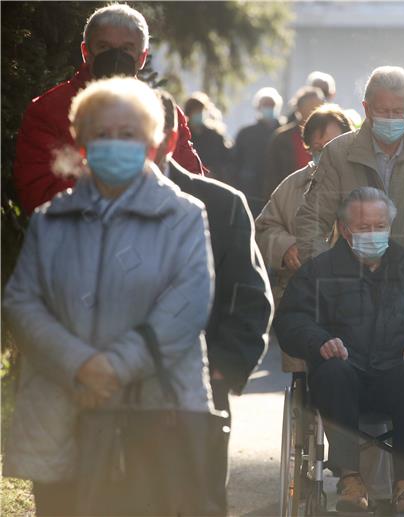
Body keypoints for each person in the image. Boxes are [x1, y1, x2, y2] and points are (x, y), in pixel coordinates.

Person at [2, 77, 215, 515]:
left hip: (155, 413)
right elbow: (23, 302)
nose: (114, 144)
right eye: (102, 134)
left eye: (128, 134)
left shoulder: (183, 215)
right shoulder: (50, 219)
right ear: (80, 143)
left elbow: (188, 302)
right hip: (62, 410)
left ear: (153, 142)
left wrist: (115, 367)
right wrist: (79, 364)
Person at [275, 187, 404, 513]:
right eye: (364, 227)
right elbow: (291, 319)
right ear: (346, 229)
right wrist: (319, 340)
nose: (373, 233)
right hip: (343, 380)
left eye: (380, 226)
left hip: (396, 376)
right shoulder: (319, 272)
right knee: (332, 371)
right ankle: (351, 480)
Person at [155, 90, 273, 507]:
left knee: (197, 499)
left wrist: (223, 368)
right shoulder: (84, 207)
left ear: (170, 137)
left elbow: (250, 295)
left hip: (201, 387)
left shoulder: (220, 204)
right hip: (116, 394)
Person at [12, 3, 203, 215]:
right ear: (86, 51)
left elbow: (191, 183)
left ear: (141, 57)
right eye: (104, 47)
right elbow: (37, 193)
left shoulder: (163, 112)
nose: (115, 57)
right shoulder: (48, 110)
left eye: (126, 49)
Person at [294, 66, 404, 274]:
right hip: (349, 282)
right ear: (367, 108)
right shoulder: (338, 152)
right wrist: (325, 273)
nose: (390, 118)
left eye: (398, 111)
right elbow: (313, 219)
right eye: (382, 111)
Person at [255, 104, 354, 372]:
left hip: (356, 300)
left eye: (334, 144)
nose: (327, 151)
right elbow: (263, 229)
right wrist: (286, 249)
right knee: (309, 380)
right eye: (319, 146)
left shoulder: (367, 182)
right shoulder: (292, 186)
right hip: (304, 300)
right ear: (309, 147)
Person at [263, 86, 325, 201]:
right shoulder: (282, 139)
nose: (316, 111)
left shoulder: (329, 137)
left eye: (320, 106)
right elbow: (272, 178)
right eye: (312, 106)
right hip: (289, 200)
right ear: (299, 109)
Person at [230, 87, 284, 215]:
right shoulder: (245, 133)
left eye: (272, 105)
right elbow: (234, 162)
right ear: (258, 107)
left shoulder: (284, 134)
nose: (268, 108)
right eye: (265, 105)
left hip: (279, 192)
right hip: (251, 192)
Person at [184, 92, 231, 181]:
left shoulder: (215, 136)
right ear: (189, 113)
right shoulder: (183, 136)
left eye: (201, 111)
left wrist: (214, 172)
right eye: (195, 111)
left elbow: (225, 160)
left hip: (213, 182)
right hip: (189, 182)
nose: (199, 114)